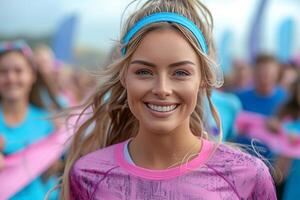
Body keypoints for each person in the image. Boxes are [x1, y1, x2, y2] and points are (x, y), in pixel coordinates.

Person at [61, 0, 277, 199]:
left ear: (203, 80)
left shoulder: (247, 176)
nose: (162, 89)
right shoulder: (88, 175)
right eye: (144, 72)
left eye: (181, 73)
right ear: (124, 77)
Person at [0, 40, 61, 199]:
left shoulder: (50, 123)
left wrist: (56, 166)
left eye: (18, 71)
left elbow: (57, 175)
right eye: (3, 71)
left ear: (32, 75)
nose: (11, 78)